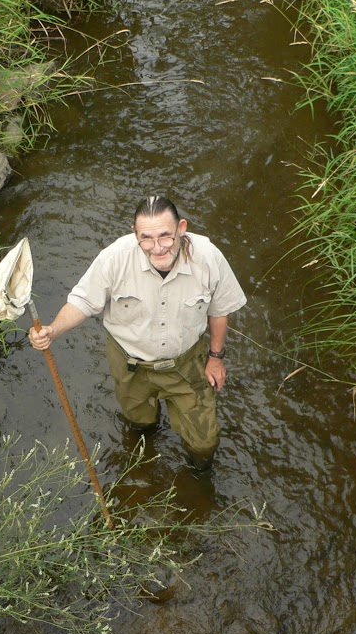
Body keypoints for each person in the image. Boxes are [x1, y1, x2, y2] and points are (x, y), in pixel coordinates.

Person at [28, 195, 247, 471]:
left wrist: (216, 356)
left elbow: (219, 308)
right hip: (130, 364)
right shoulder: (114, 258)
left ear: (181, 228)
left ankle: (199, 483)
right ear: (135, 234)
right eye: (147, 238)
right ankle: (143, 458)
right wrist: (53, 329)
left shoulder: (208, 257)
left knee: (204, 445)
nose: (157, 248)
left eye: (166, 236)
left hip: (187, 362)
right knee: (140, 424)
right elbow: (83, 301)